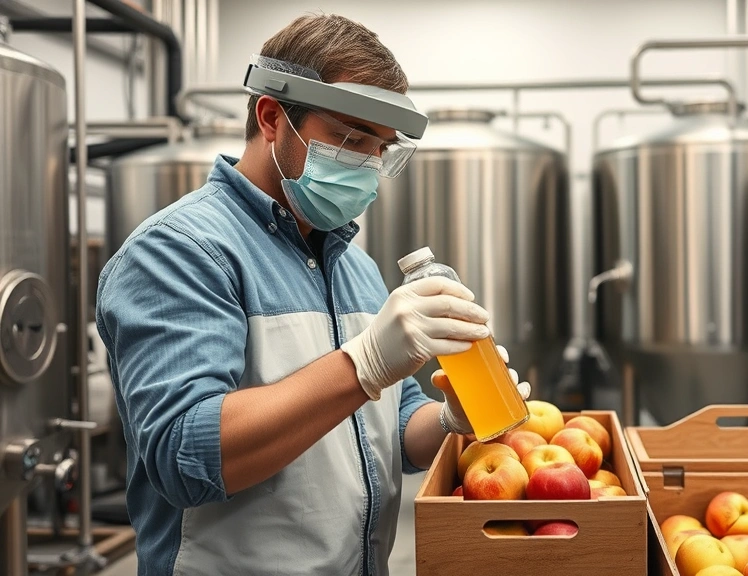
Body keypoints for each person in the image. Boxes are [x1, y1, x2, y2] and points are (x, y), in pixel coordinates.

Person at [95, 13, 528, 576]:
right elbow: (188, 458)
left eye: (381, 149)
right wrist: (365, 362)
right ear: (272, 117)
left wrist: (449, 420)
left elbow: (383, 431)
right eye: (351, 138)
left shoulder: (358, 267)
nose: (368, 167)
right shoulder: (178, 253)